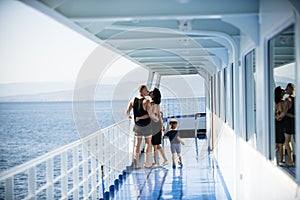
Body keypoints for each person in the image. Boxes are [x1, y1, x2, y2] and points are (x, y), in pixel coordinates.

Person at [136, 88, 168, 167]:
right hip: (155, 125)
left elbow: (155, 116)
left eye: (151, 92)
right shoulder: (155, 104)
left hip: (154, 125)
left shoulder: (153, 104)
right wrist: (162, 125)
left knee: (155, 145)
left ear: (154, 95)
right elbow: (159, 116)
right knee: (156, 144)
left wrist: (161, 125)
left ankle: (158, 161)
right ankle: (162, 160)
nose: (149, 93)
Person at [126, 85, 152, 169]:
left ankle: (137, 164)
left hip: (137, 126)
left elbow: (127, 112)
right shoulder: (146, 101)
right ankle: (146, 163)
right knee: (148, 143)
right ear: (142, 91)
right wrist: (140, 117)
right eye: (146, 91)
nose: (147, 92)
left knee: (137, 144)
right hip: (146, 125)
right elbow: (149, 115)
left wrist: (130, 117)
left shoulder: (133, 101)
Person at [284, 83, 295, 167]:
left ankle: (291, 161)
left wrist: (278, 116)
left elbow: (285, 113)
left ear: (291, 89)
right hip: (296, 122)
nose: (286, 90)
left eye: (287, 88)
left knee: (287, 142)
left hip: (288, 122)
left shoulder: (288, 99)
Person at [274, 86, 286, 165]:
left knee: (278, 143)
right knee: (281, 143)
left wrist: (276, 117)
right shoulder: (283, 102)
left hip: (277, 122)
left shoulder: (276, 102)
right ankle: (282, 160)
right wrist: (279, 117)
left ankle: (279, 159)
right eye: (282, 91)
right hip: (281, 122)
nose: (283, 91)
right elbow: (283, 112)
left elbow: (276, 112)